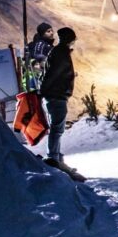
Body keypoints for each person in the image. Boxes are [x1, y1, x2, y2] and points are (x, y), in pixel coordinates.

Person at [38, 27, 77, 168]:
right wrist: (45, 90)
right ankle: (53, 158)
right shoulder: (61, 53)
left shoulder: (58, 52)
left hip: (54, 94)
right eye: (73, 39)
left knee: (57, 127)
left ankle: (56, 157)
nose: (74, 41)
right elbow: (54, 75)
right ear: (68, 39)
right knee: (57, 128)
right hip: (56, 95)